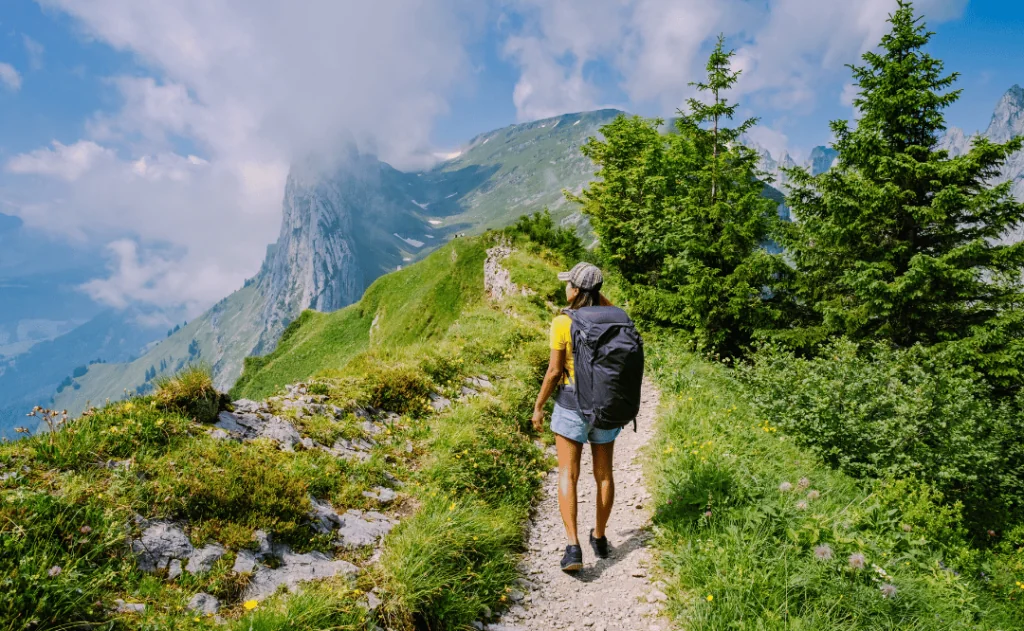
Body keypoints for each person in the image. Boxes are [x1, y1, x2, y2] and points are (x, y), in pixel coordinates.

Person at [531, 262, 618, 572]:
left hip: (571, 405)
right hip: (606, 406)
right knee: (604, 475)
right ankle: (601, 536)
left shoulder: (562, 323)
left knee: (568, 474)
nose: (564, 288)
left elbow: (555, 371)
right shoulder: (614, 319)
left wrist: (539, 405)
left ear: (577, 291)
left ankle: (573, 547)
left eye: (569, 284)